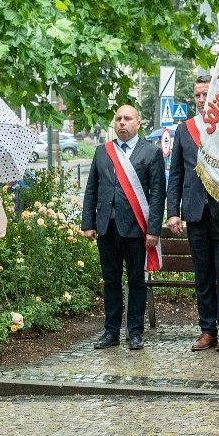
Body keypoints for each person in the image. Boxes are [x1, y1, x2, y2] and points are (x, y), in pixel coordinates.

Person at [167, 74, 219, 351]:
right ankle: (207, 329)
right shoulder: (184, 130)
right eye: (197, 95)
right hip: (196, 213)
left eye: (206, 94)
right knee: (202, 275)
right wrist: (172, 211)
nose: (201, 99)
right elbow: (175, 174)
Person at [81, 104, 165, 350]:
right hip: (107, 226)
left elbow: (157, 195)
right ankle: (111, 332)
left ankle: (135, 332)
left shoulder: (151, 153)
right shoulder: (102, 152)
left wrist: (153, 229)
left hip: (137, 228)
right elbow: (91, 190)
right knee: (110, 281)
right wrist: (88, 223)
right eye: (118, 118)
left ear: (138, 123)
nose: (122, 123)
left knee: (137, 281)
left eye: (127, 118)